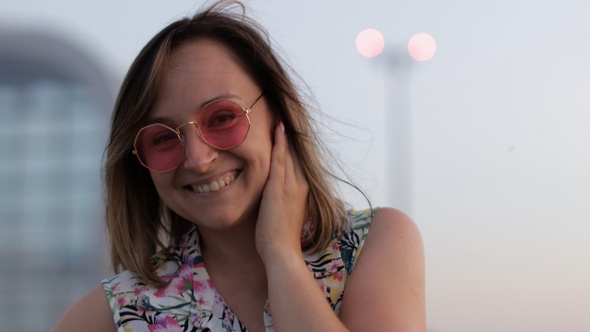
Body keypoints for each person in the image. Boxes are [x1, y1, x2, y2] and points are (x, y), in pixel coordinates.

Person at [52, 1, 425, 331]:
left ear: (277, 115)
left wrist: (281, 256)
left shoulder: (374, 243)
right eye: (163, 138)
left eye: (222, 118)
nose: (198, 159)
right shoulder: (115, 313)